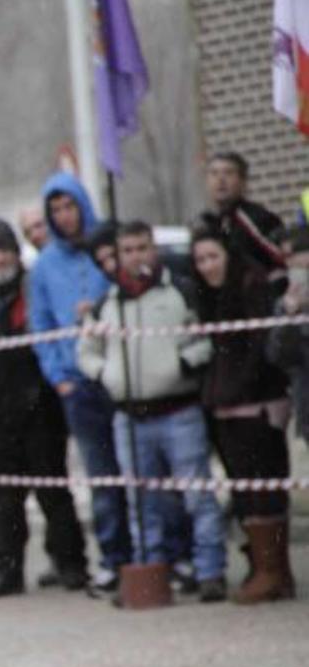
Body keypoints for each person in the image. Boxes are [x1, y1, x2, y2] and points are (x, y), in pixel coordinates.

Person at [76, 221, 225, 602]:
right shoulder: (109, 302)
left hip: (178, 410)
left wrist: (183, 365)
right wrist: (105, 374)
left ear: (153, 250)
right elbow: (86, 351)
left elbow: (204, 340)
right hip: (129, 415)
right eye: (127, 250)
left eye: (142, 248)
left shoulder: (178, 292)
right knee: (142, 503)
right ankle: (150, 574)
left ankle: (210, 571)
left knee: (196, 495)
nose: (135, 256)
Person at [0, 220, 88, 596]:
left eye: (6, 251)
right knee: (2, 501)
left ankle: (70, 564)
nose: (0, 259)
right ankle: (5, 570)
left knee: (53, 493)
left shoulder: (35, 292)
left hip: (41, 411)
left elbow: (51, 341)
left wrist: (40, 391)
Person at [28, 172, 130, 593]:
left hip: (123, 377)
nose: (64, 216)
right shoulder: (45, 266)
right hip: (79, 386)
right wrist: (60, 378)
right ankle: (113, 558)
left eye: (70, 206)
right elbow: (42, 326)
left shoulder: (107, 249)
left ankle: (154, 555)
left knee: (136, 471)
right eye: (56, 210)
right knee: (102, 476)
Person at [190, 226, 295, 604]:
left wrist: (238, 385)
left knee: (264, 487)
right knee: (245, 491)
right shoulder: (208, 297)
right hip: (226, 405)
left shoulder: (251, 285)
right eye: (200, 259)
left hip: (257, 404)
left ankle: (274, 572)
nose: (206, 266)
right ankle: (267, 569)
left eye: (213, 257)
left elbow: (259, 350)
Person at [199, 152, 285, 275]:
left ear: (243, 181)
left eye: (228, 173)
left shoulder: (256, 218)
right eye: (214, 173)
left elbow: (282, 258)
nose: (220, 180)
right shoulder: (209, 224)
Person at [268, 224, 309, 453]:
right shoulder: (285, 304)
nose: (290, 264)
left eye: (294, 255)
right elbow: (278, 356)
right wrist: (289, 317)